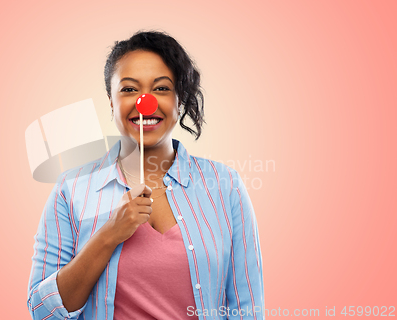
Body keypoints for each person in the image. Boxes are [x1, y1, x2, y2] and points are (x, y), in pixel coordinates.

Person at [27, 30, 265, 320]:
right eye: (129, 89)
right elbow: (42, 312)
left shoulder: (226, 186)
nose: (145, 103)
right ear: (111, 101)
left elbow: (247, 309)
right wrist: (108, 235)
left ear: (180, 100)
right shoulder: (71, 189)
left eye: (161, 88)